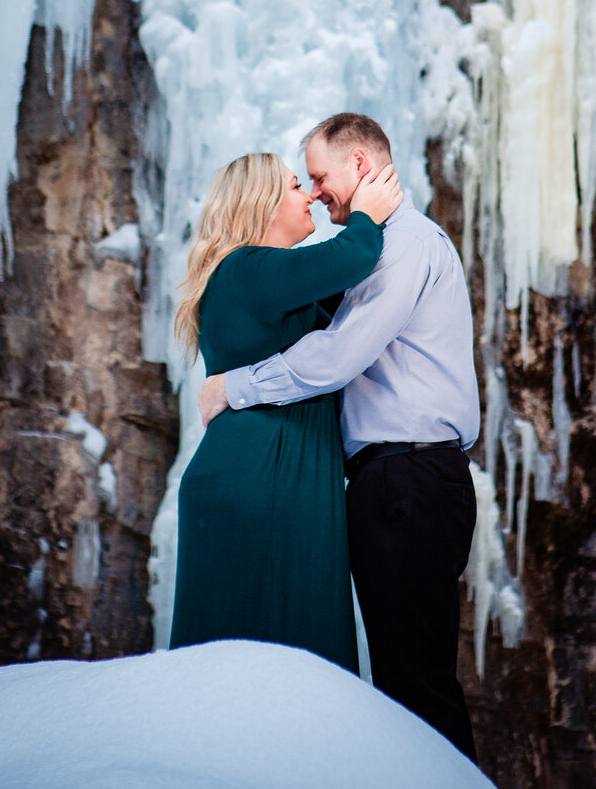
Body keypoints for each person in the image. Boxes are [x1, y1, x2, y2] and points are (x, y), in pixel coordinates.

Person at [199, 113, 480, 761]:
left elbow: (335, 356)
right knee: (407, 681)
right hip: (396, 481)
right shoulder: (380, 248)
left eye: (320, 176)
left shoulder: (400, 243)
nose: (317, 192)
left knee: (417, 686)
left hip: (406, 479)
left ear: (360, 166)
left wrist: (233, 387)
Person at [169, 149, 402, 672]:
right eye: (298, 186)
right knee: (278, 654)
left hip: (268, 474)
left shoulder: (267, 282)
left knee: (271, 657)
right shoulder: (248, 268)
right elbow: (352, 256)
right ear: (262, 202)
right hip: (261, 479)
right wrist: (368, 210)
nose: (312, 196)